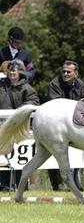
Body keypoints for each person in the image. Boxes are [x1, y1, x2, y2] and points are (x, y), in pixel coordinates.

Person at [48, 60, 84, 191]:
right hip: (56, 125)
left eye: (68, 72)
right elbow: (56, 105)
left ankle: (75, 182)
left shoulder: (82, 85)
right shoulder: (54, 84)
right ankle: (57, 184)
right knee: (53, 155)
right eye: (64, 71)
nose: (65, 74)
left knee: (78, 155)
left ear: (76, 73)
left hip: (75, 125)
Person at [0, 58, 40, 191]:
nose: (12, 73)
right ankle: (4, 186)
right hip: (2, 127)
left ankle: (21, 185)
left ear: (20, 72)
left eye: (14, 71)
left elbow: (33, 103)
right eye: (10, 70)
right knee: (3, 157)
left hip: (19, 129)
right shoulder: (1, 85)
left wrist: (17, 115)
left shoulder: (27, 88)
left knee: (20, 160)